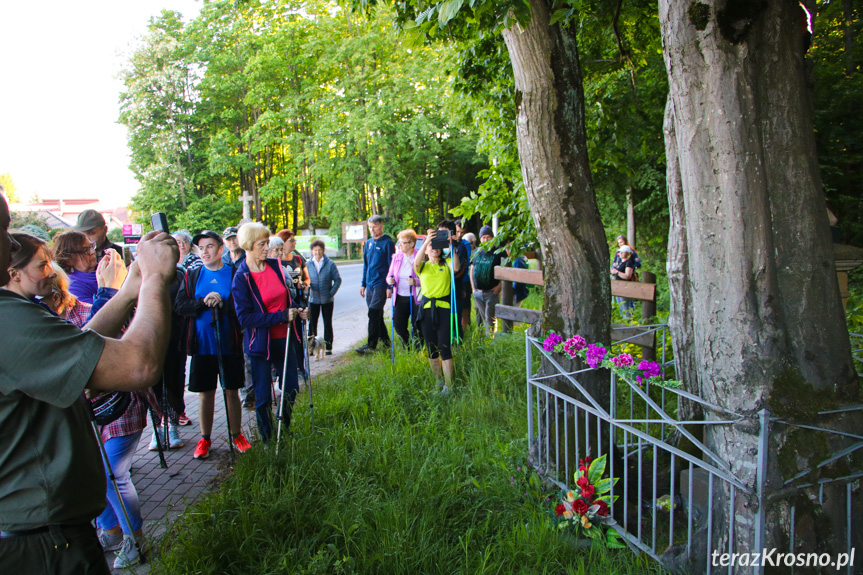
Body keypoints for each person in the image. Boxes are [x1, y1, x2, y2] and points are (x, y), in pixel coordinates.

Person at [0, 195, 179, 575]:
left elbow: (79, 356)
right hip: (43, 544)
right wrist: (157, 280)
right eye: (4, 229)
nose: (14, 242)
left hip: (38, 536)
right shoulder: (5, 321)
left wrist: (131, 289)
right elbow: (138, 363)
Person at [176, 230, 252, 459]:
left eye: (209, 246)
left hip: (228, 344)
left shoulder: (235, 273)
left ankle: (236, 434)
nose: (205, 251)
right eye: (201, 247)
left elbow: (244, 307)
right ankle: (205, 438)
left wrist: (222, 302)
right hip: (202, 345)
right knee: (205, 393)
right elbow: (180, 305)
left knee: (231, 390)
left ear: (221, 250)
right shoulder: (192, 275)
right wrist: (202, 302)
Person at [231, 222, 308, 442]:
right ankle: (267, 439)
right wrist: (280, 316)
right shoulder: (242, 278)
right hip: (260, 343)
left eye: (268, 243)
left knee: (291, 388)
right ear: (248, 245)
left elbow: (287, 298)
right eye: (262, 244)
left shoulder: (275, 266)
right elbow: (245, 318)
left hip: (285, 338)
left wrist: (297, 310)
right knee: (263, 395)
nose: (268, 248)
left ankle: (284, 427)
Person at [414, 229, 460, 393]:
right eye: (430, 246)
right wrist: (427, 241)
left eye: (436, 246)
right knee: (431, 348)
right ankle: (437, 382)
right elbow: (416, 263)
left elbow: (456, 266)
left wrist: (451, 246)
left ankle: (448, 386)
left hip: (444, 310)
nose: (433, 248)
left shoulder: (446, 264)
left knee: (444, 347)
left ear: (441, 249)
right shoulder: (423, 267)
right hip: (426, 311)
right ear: (426, 249)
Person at [357, 215, 395, 354]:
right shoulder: (368, 243)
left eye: (375, 226)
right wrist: (363, 284)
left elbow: (392, 266)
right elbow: (366, 265)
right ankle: (385, 340)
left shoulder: (387, 243)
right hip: (370, 284)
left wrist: (389, 287)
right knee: (376, 314)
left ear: (381, 226)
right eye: (370, 227)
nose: (372, 229)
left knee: (373, 312)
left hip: (381, 283)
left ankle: (371, 345)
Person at [386, 229, 421, 348]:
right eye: (399, 242)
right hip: (400, 296)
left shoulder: (419, 257)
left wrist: (416, 282)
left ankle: (418, 349)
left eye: (403, 242)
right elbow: (389, 275)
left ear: (411, 244)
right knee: (398, 325)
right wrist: (390, 280)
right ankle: (407, 346)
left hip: (415, 298)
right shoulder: (397, 257)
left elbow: (427, 280)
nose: (399, 245)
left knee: (417, 325)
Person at [307, 239, 342, 356]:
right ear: (312, 251)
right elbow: (305, 280)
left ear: (323, 251)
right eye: (315, 250)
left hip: (327, 299)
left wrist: (331, 293)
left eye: (320, 250)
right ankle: (312, 347)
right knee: (312, 324)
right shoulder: (308, 264)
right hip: (313, 299)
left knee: (327, 323)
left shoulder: (330, 263)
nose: (317, 252)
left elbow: (337, 280)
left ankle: (328, 346)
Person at [471, 225, 503, 335]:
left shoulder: (498, 252)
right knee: (483, 317)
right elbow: (472, 269)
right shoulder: (477, 252)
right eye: (483, 237)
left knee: (490, 318)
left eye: (488, 237)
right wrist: (473, 288)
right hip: (479, 292)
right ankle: (484, 339)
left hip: (492, 291)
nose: (486, 239)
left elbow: (504, 270)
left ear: (492, 238)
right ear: (480, 239)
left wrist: (499, 286)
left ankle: (491, 339)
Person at [53, 229, 99, 305]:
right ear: (68, 260)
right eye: (85, 250)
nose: (92, 252)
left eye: (92, 246)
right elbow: (100, 312)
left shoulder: (102, 271)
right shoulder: (73, 288)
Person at [611, 244, 637, 318]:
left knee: (625, 307)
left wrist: (617, 272)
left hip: (625, 287)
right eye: (620, 252)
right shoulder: (620, 263)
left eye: (623, 252)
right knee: (621, 307)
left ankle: (627, 322)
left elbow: (627, 276)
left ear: (627, 253)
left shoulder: (628, 263)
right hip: (618, 287)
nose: (621, 253)